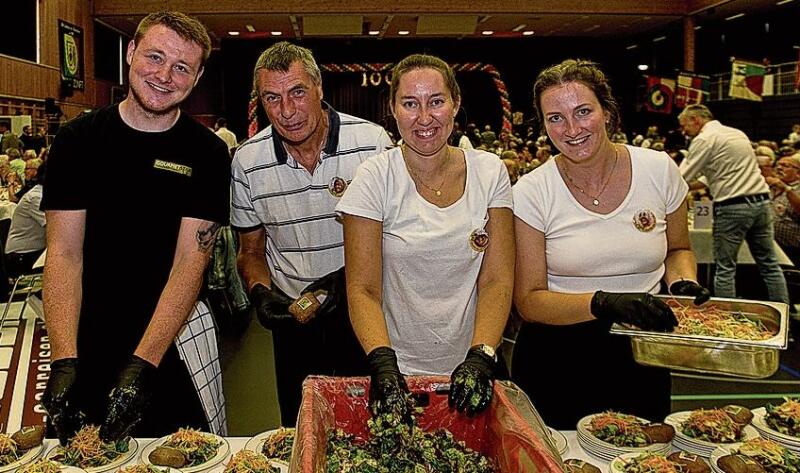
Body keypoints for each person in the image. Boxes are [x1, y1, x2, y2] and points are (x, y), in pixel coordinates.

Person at [41, 11, 230, 444]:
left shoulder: (207, 154)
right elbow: (65, 255)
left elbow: (189, 263)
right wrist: (64, 360)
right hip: (86, 338)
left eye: (182, 67)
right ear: (130, 53)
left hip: (171, 342)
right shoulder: (77, 141)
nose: (165, 75)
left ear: (197, 76)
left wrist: (143, 365)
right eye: (155, 57)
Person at [512, 59, 709, 429]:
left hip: (641, 353)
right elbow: (529, 299)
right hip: (558, 356)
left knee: (643, 458)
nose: (571, 129)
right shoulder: (531, 192)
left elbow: (678, 249)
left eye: (583, 111)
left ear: (607, 111)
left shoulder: (659, 169)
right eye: (555, 118)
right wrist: (604, 302)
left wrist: (681, 282)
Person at [336, 54, 514, 420]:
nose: (424, 118)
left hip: (473, 361)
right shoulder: (374, 177)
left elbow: (497, 280)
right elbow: (362, 288)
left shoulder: (489, 171)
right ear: (393, 109)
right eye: (410, 104)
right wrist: (384, 364)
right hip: (396, 365)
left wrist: (481, 355)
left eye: (436, 101)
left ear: (456, 104)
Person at [231, 41, 393, 426]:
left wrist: (347, 279)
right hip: (293, 322)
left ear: (319, 87)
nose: (287, 112)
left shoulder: (372, 144)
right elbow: (250, 250)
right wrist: (260, 294)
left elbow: (396, 236)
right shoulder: (247, 161)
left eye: (297, 92)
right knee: (302, 426)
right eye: (272, 98)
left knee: (369, 426)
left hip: (364, 313)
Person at [678, 104, 789, 303]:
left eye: (684, 125)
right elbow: (710, 178)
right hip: (761, 203)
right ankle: (785, 313)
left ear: (696, 120)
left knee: (725, 268)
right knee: (770, 265)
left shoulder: (704, 139)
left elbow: (681, 176)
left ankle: (727, 322)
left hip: (733, 207)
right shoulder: (737, 134)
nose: (683, 130)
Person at [5, 162, 46, 278]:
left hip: (31, 251)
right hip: (21, 257)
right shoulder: (36, 197)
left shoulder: (41, 193)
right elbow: (55, 228)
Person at [766, 156, 800, 266]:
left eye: (785, 166)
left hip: (793, 249)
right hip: (769, 246)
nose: (780, 168)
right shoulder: (769, 186)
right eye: (778, 165)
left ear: (798, 173)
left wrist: (786, 188)